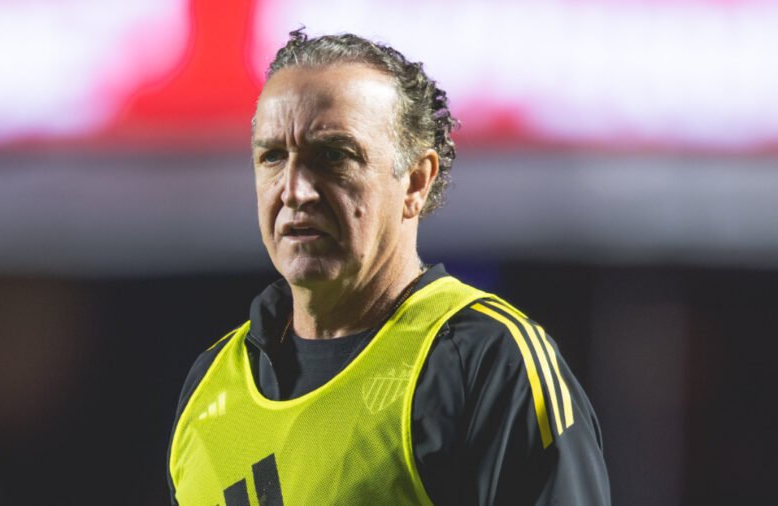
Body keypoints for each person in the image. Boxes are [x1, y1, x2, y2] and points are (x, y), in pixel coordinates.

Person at [167, 30, 610, 505]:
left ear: (416, 181)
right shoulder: (211, 383)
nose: (295, 190)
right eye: (273, 156)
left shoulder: (487, 362)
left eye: (333, 156)